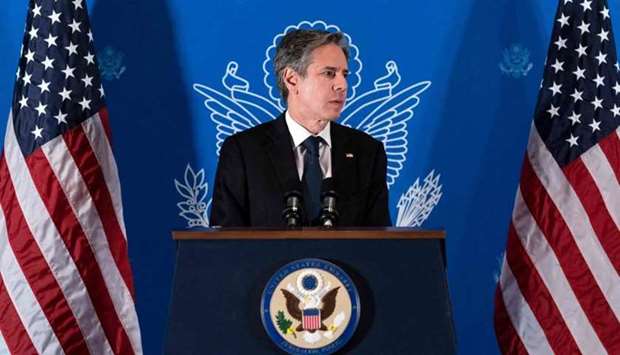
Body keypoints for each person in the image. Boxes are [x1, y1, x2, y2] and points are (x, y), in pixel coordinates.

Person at [210, 29, 391, 227]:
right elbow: (224, 247)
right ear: (292, 79)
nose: (342, 85)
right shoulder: (243, 152)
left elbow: (380, 246)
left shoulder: (367, 152)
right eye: (329, 73)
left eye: (344, 74)